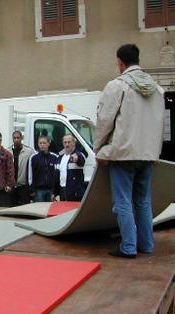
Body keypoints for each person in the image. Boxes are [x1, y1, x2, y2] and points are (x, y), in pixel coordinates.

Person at [94, 44, 164, 259]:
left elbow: (105, 119)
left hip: (123, 153)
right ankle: (147, 244)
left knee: (123, 202)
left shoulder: (117, 86)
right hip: (148, 154)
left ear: (121, 63)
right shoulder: (157, 89)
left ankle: (129, 246)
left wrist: (99, 147)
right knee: (143, 201)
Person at [55, 135, 85, 202]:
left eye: (69, 142)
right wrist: (55, 193)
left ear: (74, 143)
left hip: (75, 193)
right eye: (65, 142)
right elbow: (57, 176)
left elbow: (81, 161)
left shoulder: (79, 154)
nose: (67, 144)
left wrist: (77, 157)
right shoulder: (60, 157)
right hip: (62, 191)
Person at [28, 136, 59, 202]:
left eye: (44, 143)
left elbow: (56, 175)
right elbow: (30, 174)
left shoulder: (55, 157)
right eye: (40, 143)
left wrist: (55, 191)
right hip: (38, 190)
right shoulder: (34, 158)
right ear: (38, 144)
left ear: (48, 144)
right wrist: (32, 189)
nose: (42, 145)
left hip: (51, 190)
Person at [8, 131, 34, 206]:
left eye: (18, 138)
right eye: (14, 138)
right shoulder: (8, 151)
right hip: (12, 186)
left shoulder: (29, 152)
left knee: (24, 208)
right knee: (11, 208)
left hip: (23, 186)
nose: (16, 140)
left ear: (21, 138)